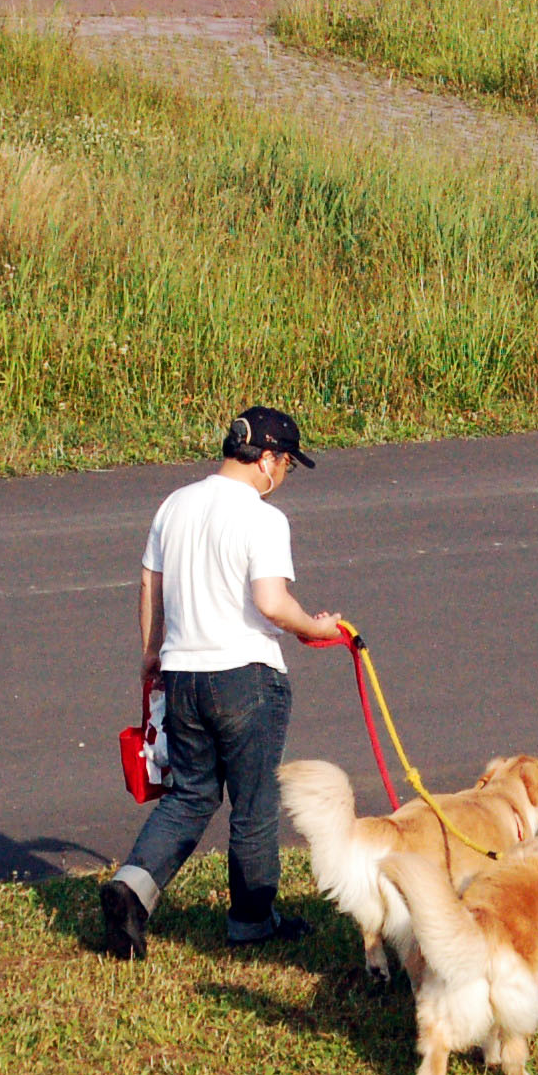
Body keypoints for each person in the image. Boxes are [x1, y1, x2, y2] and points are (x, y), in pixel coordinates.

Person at [100, 406, 347, 961]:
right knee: (253, 805)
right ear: (266, 459)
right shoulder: (262, 518)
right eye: (284, 464)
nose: (282, 477)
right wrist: (315, 629)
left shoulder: (176, 504)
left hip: (183, 673)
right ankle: (252, 922)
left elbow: (149, 582)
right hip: (246, 677)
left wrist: (150, 652)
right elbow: (270, 602)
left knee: (191, 794)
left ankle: (132, 888)